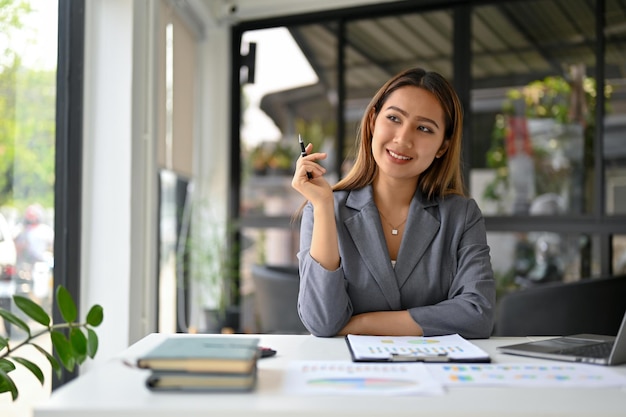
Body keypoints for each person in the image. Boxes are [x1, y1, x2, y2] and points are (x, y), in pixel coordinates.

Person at [291, 67, 495, 339]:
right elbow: (322, 322)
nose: (403, 138)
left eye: (424, 128)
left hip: (436, 373)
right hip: (349, 375)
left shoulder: (461, 216)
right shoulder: (323, 209)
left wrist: (361, 324)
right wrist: (325, 207)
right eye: (394, 118)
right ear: (373, 121)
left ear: (442, 147)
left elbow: (477, 314)